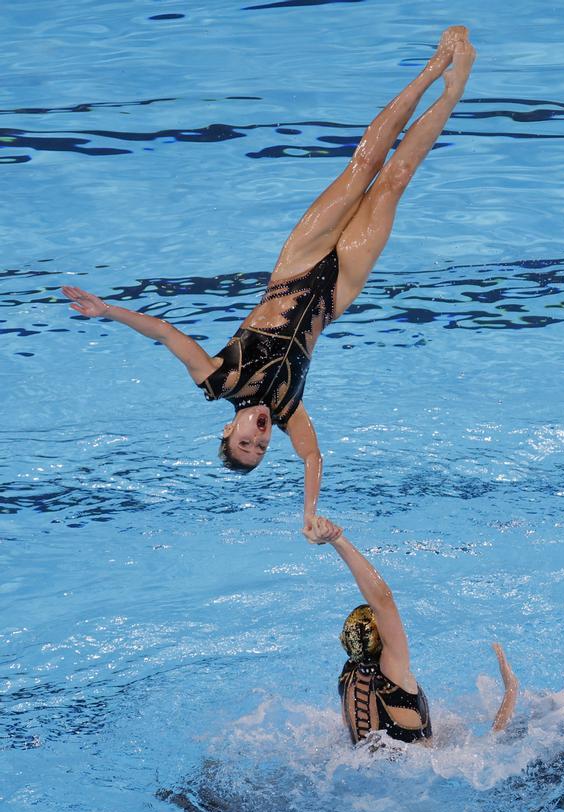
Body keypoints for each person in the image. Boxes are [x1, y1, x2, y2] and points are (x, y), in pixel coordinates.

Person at [62, 27, 477, 539]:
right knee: (394, 180)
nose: (257, 441)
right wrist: (310, 512)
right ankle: (454, 91)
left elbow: (167, 333)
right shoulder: (286, 408)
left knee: (365, 163)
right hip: (335, 292)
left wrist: (109, 312)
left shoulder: (220, 380)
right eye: (260, 449)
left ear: (228, 429)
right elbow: (312, 455)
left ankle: (434, 68)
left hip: (295, 270)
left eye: (245, 443)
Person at [307, 516, 519, 746]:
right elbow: (383, 600)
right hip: (424, 773)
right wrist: (338, 540)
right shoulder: (393, 675)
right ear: (383, 641)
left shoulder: (348, 677)